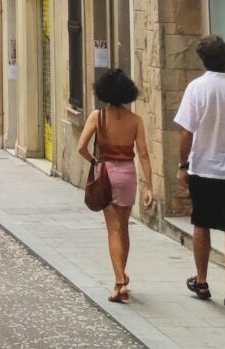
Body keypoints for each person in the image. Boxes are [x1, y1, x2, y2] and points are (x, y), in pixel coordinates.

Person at [174, 34, 225, 311]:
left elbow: (186, 132)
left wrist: (183, 164)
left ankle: (202, 279)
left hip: (203, 168)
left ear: (203, 59)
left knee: (202, 223)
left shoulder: (197, 88)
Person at [76, 68, 154, 304]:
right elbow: (143, 154)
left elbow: (81, 147)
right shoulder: (135, 120)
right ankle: (122, 274)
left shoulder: (97, 117)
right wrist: (149, 186)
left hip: (106, 172)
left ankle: (119, 282)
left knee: (113, 231)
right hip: (127, 173)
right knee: (124, 227)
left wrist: (95, 161)